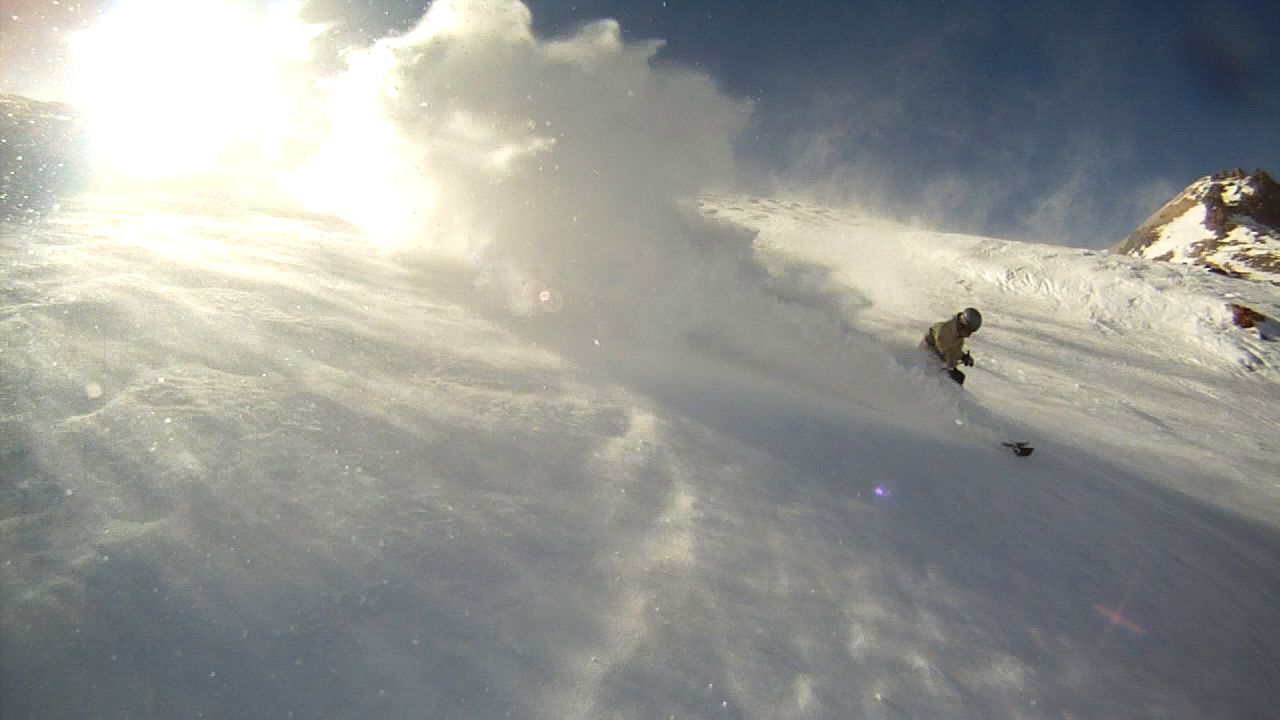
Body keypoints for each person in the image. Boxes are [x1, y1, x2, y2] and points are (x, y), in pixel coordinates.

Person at [923, 307, 981, 385]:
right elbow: (945, 352)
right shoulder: (945, 330)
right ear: (963, 324)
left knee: (958, 377)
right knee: (955, 378)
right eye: (968, 331)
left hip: (937, 364)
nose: (969, 335)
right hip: (927, 362)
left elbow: (954, 351)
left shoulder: (958, 336)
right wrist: (950, 367)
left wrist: (963, 357)